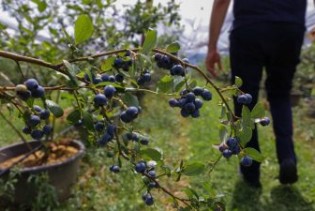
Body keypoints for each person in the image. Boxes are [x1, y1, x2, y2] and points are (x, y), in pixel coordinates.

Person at [205, 0, 307, 187]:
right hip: (290, 27)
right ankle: (287, 156)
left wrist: (212, 47)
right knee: (280, 94)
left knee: (244, 98)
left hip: (249, 27)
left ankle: (250, 171)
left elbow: (221, 2)